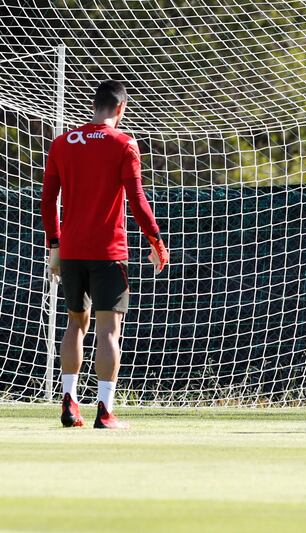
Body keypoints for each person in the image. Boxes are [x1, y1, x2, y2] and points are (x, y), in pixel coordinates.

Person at [40, 80, 169, 429]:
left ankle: (69, 403)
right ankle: (105, 411)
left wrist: (55, 244)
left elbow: (48, 200)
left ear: (93, 105)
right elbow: (138, 201)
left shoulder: (63, 142)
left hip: (71, 250)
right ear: (121, 108)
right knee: (108, 330)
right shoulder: (124, 143)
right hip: (109, 251)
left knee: (74, 324)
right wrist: (157, 242)